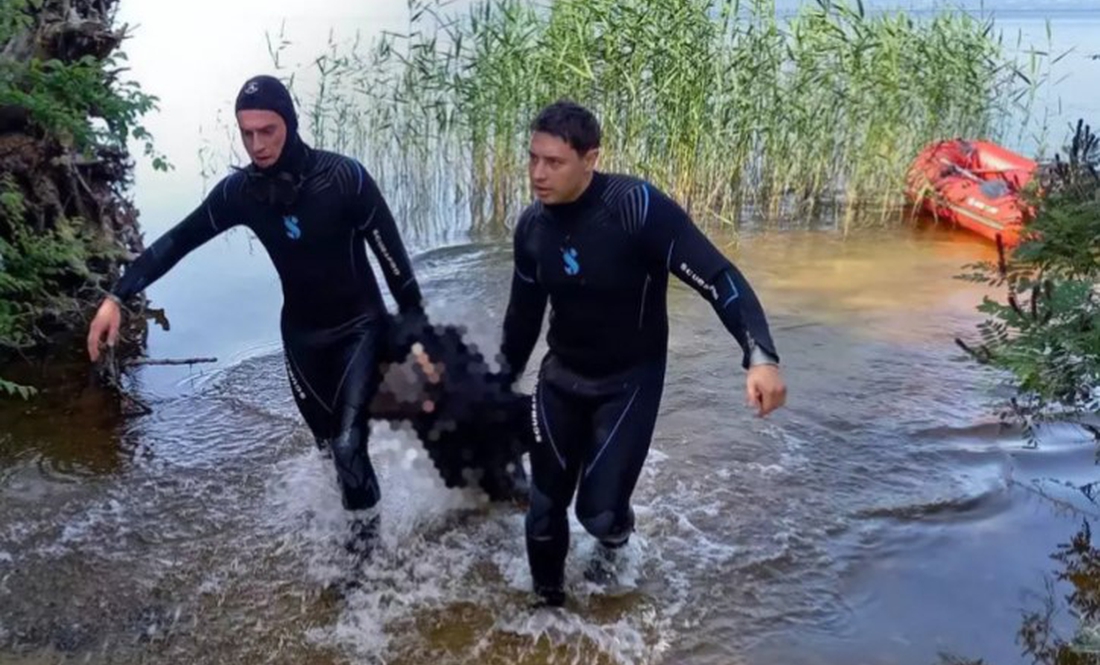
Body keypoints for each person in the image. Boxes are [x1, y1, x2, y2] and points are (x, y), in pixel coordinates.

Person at [85, 74, 426, 563]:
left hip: (360, 327)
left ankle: (364, 568)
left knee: (350, 445)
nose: (257, 144)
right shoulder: (241, 194)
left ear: (289, 122)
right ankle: (353, 525)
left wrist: (416, 332)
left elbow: (396, 266)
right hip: (303, 338)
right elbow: (176, 242)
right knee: (329, 450)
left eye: (268, 130)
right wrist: (116, 297)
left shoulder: (344, 179)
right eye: (247, 133)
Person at [498, 100, 788, 607]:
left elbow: (718, 277)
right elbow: (522, 318)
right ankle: (549, 613)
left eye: (554, 162)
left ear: (590, 159)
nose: (538, 174)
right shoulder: (532, 229)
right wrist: (499, 383)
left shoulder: (635, 208)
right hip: (561, 377)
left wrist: (759, 354)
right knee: (543, 510)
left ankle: (612, 559)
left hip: (628, 383)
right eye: (532, 159)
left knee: (598, 514)